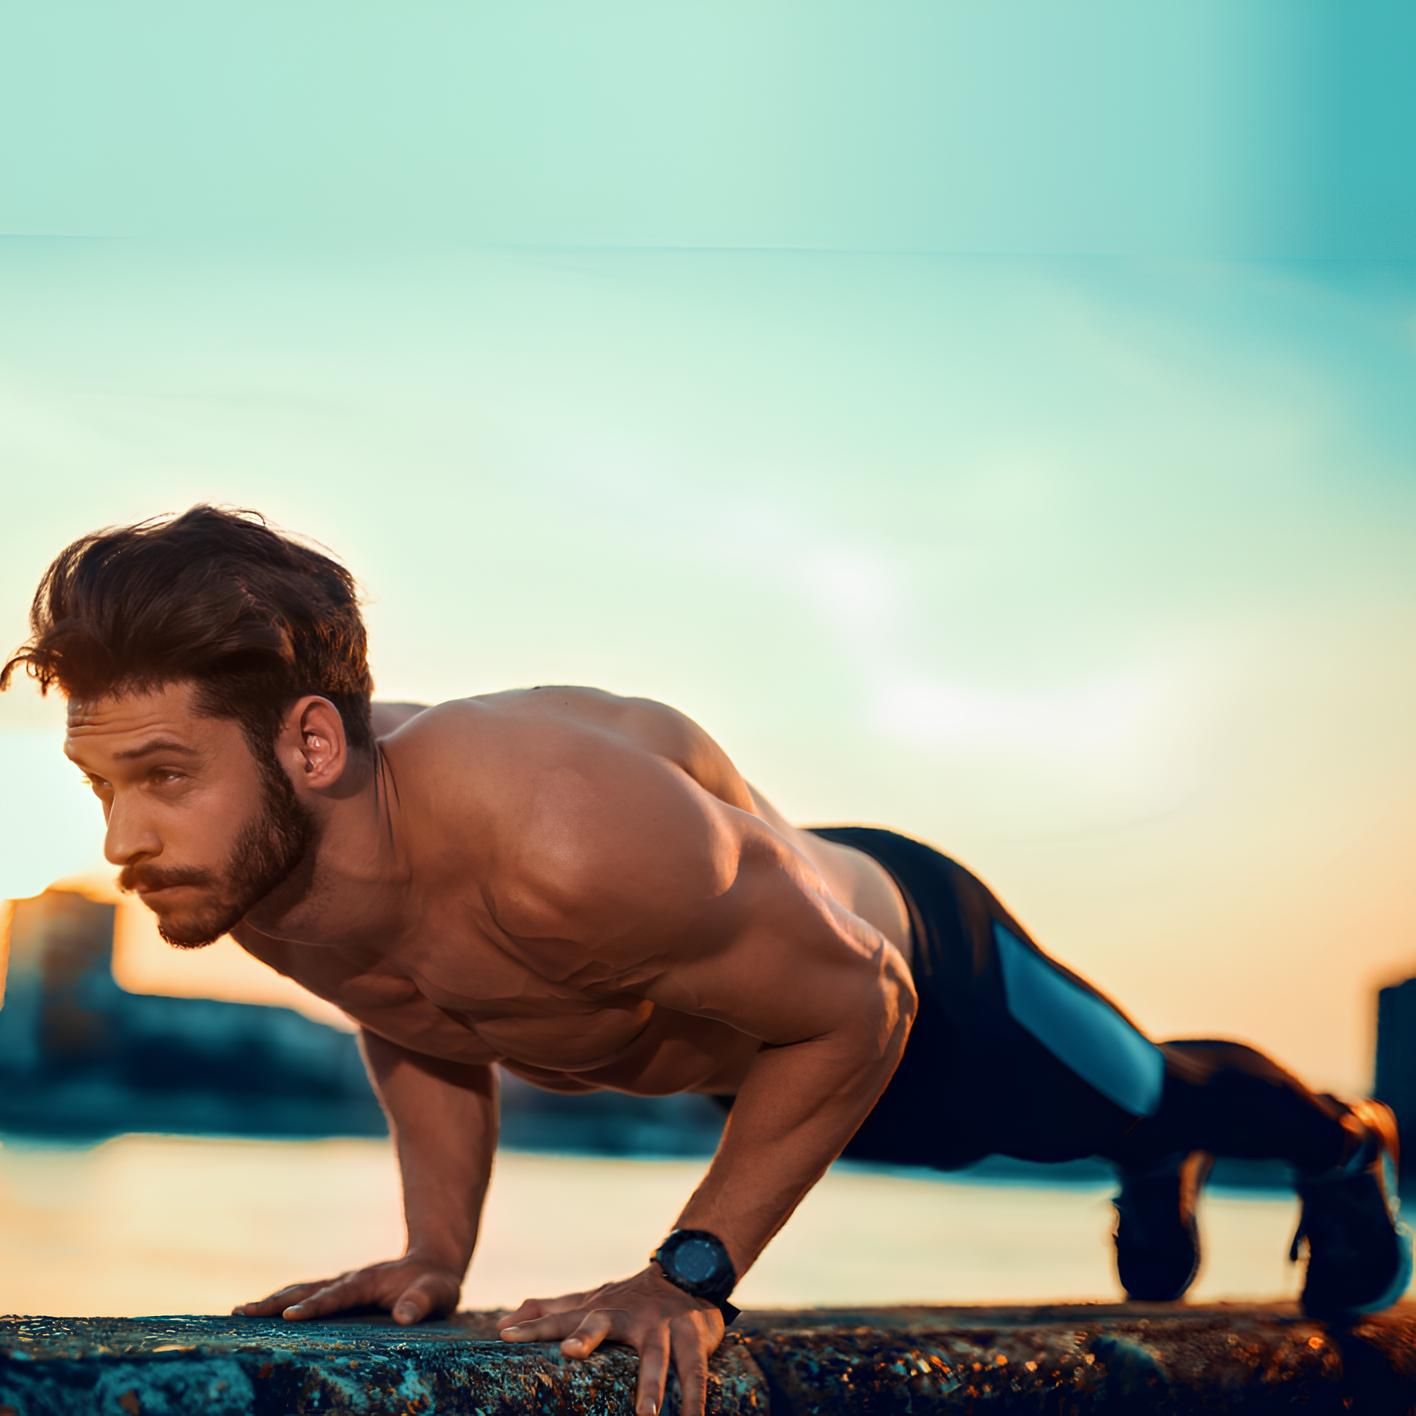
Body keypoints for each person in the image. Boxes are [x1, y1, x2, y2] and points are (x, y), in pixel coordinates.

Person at [3, 504, 1408, 1416]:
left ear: (309, 742)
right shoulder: (248, 866)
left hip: (918, 968)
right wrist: (438, 1252)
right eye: (102, 786)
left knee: (1142, 1095)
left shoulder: (560, 828)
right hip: (771, 1064)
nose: (123, 837)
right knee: (1060, 1133)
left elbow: (866, 1000)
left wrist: (685, 1275)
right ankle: (1146, 1155)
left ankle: (1342, 1146)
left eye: (163, 775)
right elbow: (413, 1006)